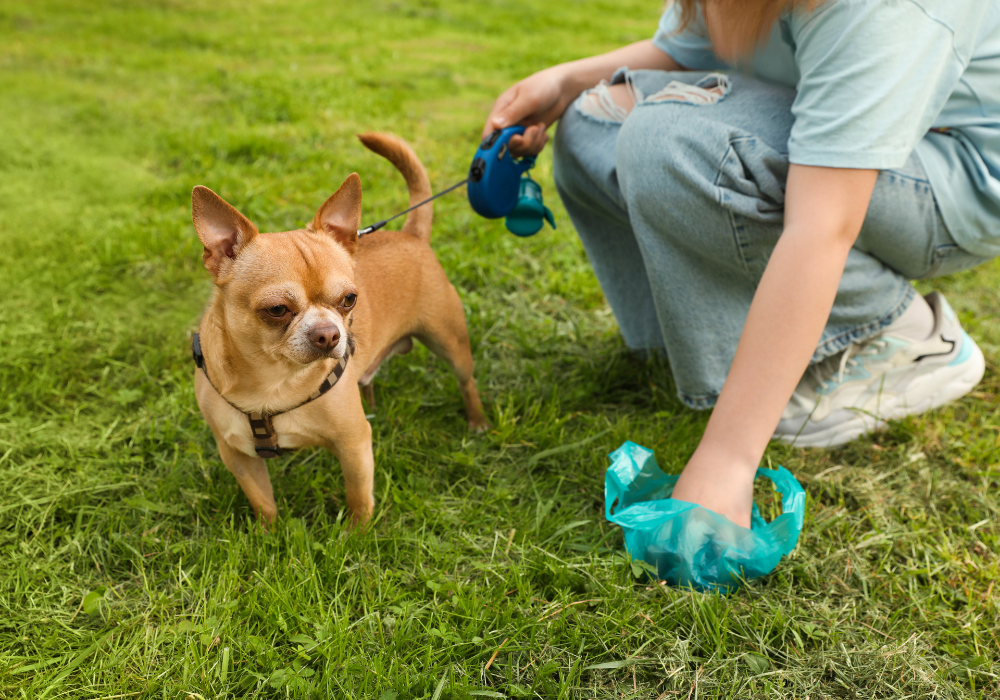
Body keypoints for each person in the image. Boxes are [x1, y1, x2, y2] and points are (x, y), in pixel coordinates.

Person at [482, 0, 999, 527]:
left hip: (952, 172)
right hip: (839, 128)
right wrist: (565, 81)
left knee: (669, 141)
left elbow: (821, 227)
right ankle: (712, 345)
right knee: (596, 118)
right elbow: (684, 51)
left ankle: (897, 332)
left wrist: (727, 462)